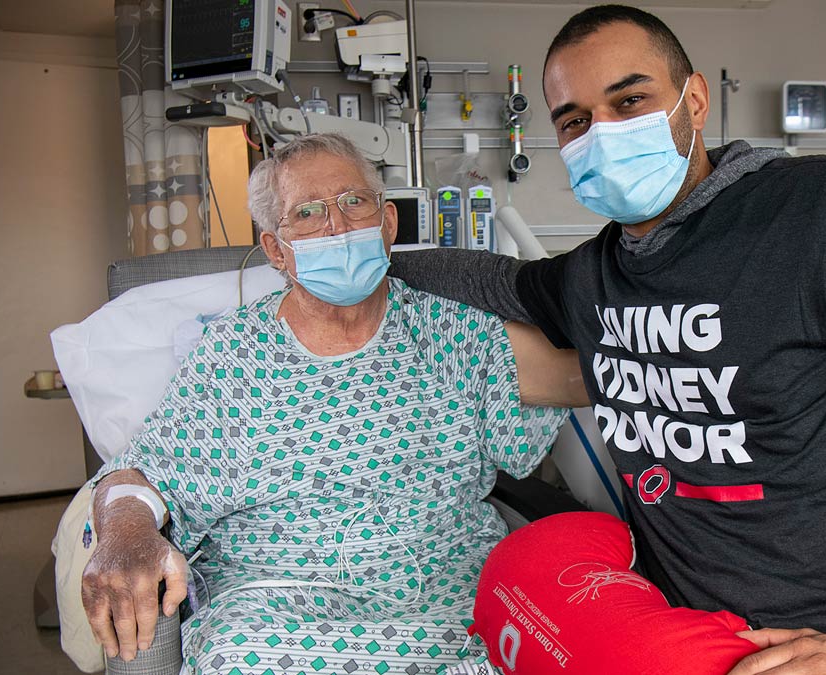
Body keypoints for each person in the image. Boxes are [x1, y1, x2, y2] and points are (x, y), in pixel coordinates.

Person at [390, 5, 826, 674]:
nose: (604, 134)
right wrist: (370, 252)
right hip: (686, 633)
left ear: (695, 100)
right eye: (575, 120)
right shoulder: (593, 277)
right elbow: (494, 279)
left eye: (631, 100)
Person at [78, 133, 586, 674]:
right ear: (276, 250)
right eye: (307, 214)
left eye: (353, 202)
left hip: (447, 594)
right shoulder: (235, 354)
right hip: (276, 608)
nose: (337, 226)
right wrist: (127, 529)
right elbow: (143, 476)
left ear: (388, 224)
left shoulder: (451, 331)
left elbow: (589, 376)